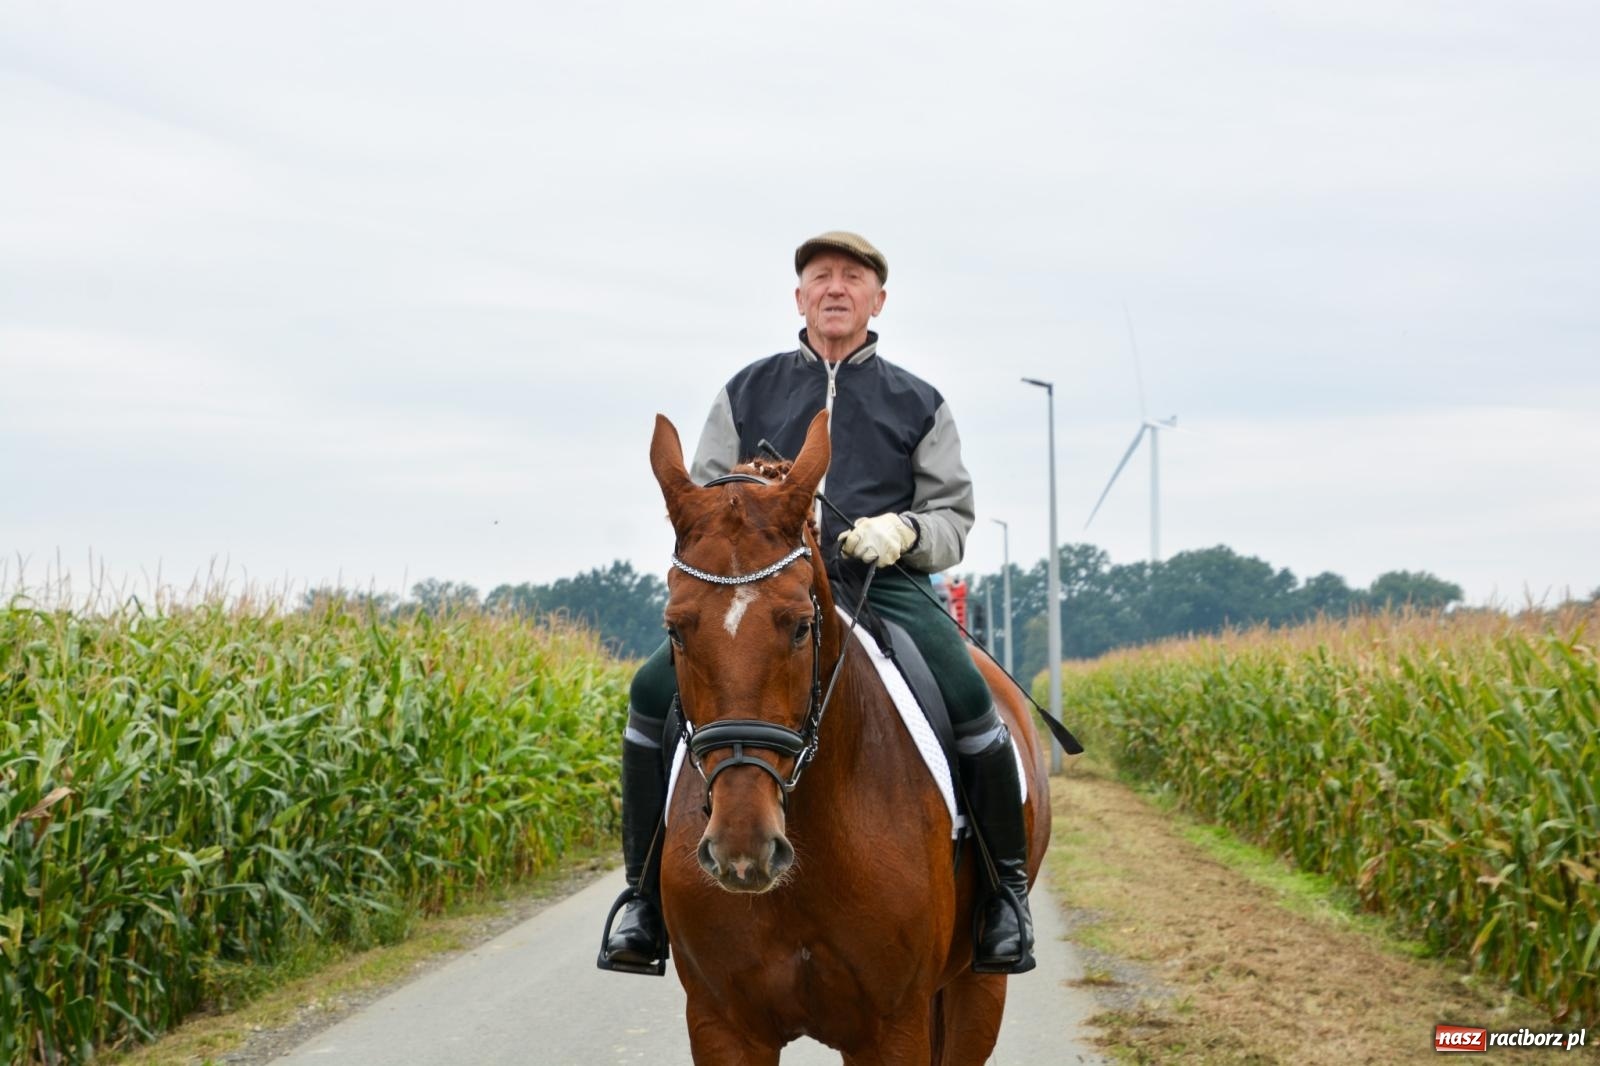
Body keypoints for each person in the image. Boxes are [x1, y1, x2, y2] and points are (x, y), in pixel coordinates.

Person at [602, 231, 1035, 975]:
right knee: (649, 692)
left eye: (853, 278)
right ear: (799, 297)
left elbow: (952, 520)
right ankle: (642, 897)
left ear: (878, 300)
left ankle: (1005, 896)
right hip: (766, 587)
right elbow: (703, 506)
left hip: (882, 584)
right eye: (821, 277)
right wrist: (745, 498)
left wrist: (902, 530)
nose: (836, 288)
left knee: (969, 694)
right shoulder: (746, 390)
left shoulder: (918, 402)